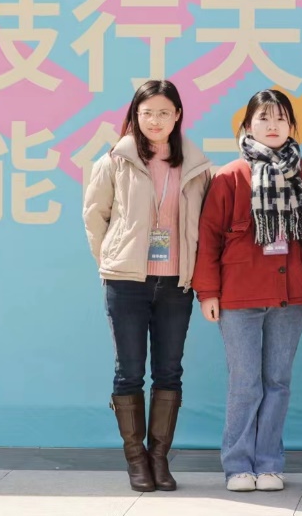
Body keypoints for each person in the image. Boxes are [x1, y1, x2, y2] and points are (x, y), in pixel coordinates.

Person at [193, 89, 302, 492]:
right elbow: (209, 237)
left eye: (280, 119)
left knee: (278, 381)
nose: (272, 126)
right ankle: (238, 465)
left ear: (292, 126)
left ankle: (270, 463)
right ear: (247, 126)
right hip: (239, 298)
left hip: (292, 296)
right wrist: (208, 292)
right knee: (245, 382)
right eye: (263, 118)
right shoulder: (229, 177)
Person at [83, 79, 212, 492]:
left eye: (163, 112)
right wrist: (113, 260)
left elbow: (205, 226)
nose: (155, 120)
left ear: (178, 116)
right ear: (135, 116)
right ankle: (135, 459)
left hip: (176, 283)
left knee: (169, 371)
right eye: (147, 113)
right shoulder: (114, 161)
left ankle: (159, 457)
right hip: (127, 283)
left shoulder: (196, 167)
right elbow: (95, 216)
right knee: (129, 372)